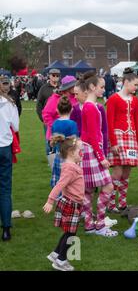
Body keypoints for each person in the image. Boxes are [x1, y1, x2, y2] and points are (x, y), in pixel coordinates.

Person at [78, 71, 117, 237]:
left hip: (87, 150)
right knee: (108, 186)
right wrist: (102, 158)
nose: (104, 89)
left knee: (87, 190)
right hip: (92, 151)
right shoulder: (91, 107)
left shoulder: (88, 106)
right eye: (101, 87)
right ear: (92, 87)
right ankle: (100, 225)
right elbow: (94, 135)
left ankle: (89, 225)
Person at [43, 137, 84, 271]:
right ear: (72, 152)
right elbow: (59, 185)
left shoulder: (71, 165)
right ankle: (61, 261)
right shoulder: (71, 168)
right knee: (71, 234)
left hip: (73, 203)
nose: (82, 153)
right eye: (80, 151)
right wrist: (50, 201)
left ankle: (55, 254)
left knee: (68, 232)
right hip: (71, 204)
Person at [106, 68, 138, 213]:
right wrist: (113, 142)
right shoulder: (114, 98)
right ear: (126, 82)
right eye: (135, 84)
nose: (136, 87)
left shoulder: (135, 100)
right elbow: (109, 122)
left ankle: (122, 203)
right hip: (118, 137)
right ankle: (110, 203)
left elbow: (137, 122)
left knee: (127, 172)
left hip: (131, 137)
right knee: (117, 172)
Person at [42, 76, 78, 169]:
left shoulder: (76, 97)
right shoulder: (54, 99)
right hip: (57, 137)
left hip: (71, 135)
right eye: (74, 86)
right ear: (68, 88)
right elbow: (46, 114)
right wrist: (57, 125)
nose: (76, 87)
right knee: (58, 166)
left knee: (72, 166)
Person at [0, 85, 19, 241]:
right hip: (4, 147)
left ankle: (6, 227)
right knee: (5, 189)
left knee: (5, 189)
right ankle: (6, 228)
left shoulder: (9, 103)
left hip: (5, 146)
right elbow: (16, 126)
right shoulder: (9, 104)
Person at [70, 82, 109, 157]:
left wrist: (104, 150)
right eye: (74, 94)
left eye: (77, 94)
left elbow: (104, 130)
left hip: (97, 145)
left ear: (85, 93)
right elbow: (72, 130)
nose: (75, 97)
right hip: (81, 146)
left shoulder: (99, 108)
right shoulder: (75, 109)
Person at [49, 96, 79, 189]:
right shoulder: (72, 124)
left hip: (58, 156)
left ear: (57, 110)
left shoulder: (55, 123)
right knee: (71, 183)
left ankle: (59, 201)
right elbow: (75, 141)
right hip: (69, 157)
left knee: (59, 182)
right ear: (71, 110)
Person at [37, 69, 60, 159]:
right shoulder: (43, 88)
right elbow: (39, 104)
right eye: (53, 75)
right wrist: (43, 119)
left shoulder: (61, 88)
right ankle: (50, 159)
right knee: (49, 139)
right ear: (49, 76)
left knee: (60, 138)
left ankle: (58, 157)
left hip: (60, 119)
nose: (55, 77)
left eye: (57, 75)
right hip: (48, 119)